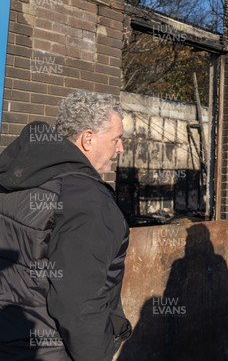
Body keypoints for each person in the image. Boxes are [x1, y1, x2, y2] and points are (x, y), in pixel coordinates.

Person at [0, 90, 131, 360]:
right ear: (87, 139)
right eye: (116, 139)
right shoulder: (88, 201)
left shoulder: (15, 177)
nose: (121, 148)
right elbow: (81, 308)